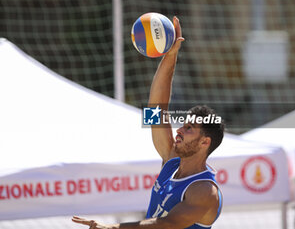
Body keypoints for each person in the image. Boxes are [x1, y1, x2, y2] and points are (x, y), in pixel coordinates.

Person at [72, 16, 224, 229]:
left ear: (204, 142)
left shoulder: (204, 191)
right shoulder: (171, 162)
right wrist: (171, 55)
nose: (179, 129)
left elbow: (166, 224)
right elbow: (156, 109)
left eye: (189, 128)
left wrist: (112, 228)